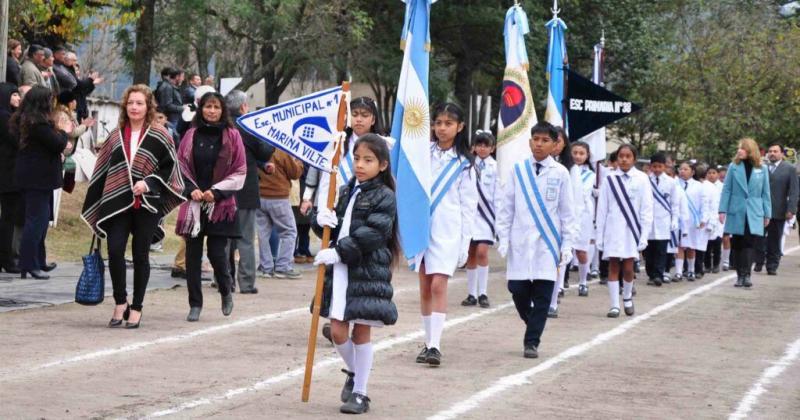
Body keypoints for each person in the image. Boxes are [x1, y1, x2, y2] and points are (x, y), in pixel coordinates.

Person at [81, 84, 185, 328]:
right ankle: (120, 302)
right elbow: (103, 170)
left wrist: (148, 183)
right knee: (115, 251)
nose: (134, 107)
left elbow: (171, 168)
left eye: (139, 103)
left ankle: (137, 306)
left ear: (148, 106)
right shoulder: (115, 136)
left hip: (147, 204)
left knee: (141, 255)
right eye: (130, 103)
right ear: (125, 106)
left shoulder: (161, 135)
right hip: (118, 203)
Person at [312, 134, 399, 414]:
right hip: (341, 271)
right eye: (358, 158)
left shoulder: (385, 196)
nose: (360, 165)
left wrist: (339, 252)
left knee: (361, 331)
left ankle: (361, 393)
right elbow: (337, 228)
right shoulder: (350, 189)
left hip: (367, 271)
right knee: (337, 331)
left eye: (368, 160)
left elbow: (373, 233)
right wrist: (321, 221)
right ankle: (355, 372)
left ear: (383, 165)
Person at [496, 121, 575, 358]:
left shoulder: (560, 173)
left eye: (545, 140)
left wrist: (567, 244)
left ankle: (531, 341)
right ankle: (533, 324)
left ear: (554, 145)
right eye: (536, 139)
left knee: (542, 295)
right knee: (517, 289)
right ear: (530, 141)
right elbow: (506, 206)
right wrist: (503, 236)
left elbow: (567, 212)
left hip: (548, 244)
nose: (539, 144)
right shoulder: (518, 169)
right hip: (520, 240)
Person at [414, 103, 477, 366]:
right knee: (426, 286)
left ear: (460, 127)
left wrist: (465, 243)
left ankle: (436, 345)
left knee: (439, 284)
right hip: (422, 227)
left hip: (449, 230)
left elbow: (468, 206)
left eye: (448, 123)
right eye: (438, 122)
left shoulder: (465, 164)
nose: (442, 128)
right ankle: (428, 342)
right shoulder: (422, 153)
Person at [176, 91, 246, 321]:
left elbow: (240, 170)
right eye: (208, 106)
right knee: (192, 257)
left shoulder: (233, 135)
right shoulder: (190, 135)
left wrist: (216, 192)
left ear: (222, 110)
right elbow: (180, 168)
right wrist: (191, 190)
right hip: (195, 204)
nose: (212, 111)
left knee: (217, 255)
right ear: (201, 108)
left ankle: (226, 291)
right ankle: (195, 304)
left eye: (216, 107)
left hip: (221, 204)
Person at [10, 86, 72, 279]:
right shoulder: (37, 123)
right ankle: (29, 263)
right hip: (38, 177)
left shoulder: (23, 119)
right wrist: (64, 131)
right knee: (36, 221)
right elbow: (57, 144)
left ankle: (38, 260)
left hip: (33, 175)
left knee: (41, 221)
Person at [225, 89, 274, 293]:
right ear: (244, 106)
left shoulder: (223, 127)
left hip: (224, 190)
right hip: (246, 189)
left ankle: (224, 281)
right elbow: (262, 150)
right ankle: (246, 283)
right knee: (245, 238)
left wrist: (262, 164)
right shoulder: (248, 126)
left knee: (225, 239)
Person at [596, 144, 653, 317]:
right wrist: (600, 234)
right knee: (613, 265)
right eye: (621, 156)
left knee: (628, 267)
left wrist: (644, 235)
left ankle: (627, 296)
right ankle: (614, 305)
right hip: (613, 229)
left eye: (628, 156)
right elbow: (602, 209)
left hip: (631, 231)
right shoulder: (609, 179)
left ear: (634, 159)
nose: (624, 159)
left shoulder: (642, 178)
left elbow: (647, 209)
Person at [719, 138, 771, 288]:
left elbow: (765, 192)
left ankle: (746, 274)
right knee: (737, 243)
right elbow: (727, 189)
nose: (739, 151)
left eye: (742, 148)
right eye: (738, 148)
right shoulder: (733, 166)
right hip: (737, 209)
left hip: (754, 210)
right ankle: (739, 275)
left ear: (750, 151)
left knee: (749, 242)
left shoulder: (762, 168)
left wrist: (767, 213)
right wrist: (722, 210)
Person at [547, 127, 583, 318]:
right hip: (543, 222)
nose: (555, 145)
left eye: (559, 141)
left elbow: (576, 202)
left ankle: (552, 301)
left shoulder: (571, 169)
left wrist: (572, 230)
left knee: (558, 263)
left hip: (561, 223)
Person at [462, 130, 497, 309]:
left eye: (486, 145)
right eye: (479, 145)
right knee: (471, 253)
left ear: (493, 148)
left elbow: (499, 194)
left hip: (487, 216)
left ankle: (483, 292)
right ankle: (471, 294)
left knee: (482, 252)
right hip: (470, 215)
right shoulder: (468, 165)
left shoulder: (496, 167)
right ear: (474, 147)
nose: (482, 149)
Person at [754, 143, 798, 275]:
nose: (772, 153)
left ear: (781, 154)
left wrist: (791, 209)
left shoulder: (789, 169)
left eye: (775, 151)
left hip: (779, 210)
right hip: (760, 210)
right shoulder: (762, 168)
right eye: (770, 151)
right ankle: (759, 261)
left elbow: (794, 191)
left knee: (774, 239)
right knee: (758, 238)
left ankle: (772, 265)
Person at [644, 152, 680, 286]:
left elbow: (675, 203)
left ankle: (658, 275)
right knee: (649, 251)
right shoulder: (646, 180)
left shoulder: (671, 182)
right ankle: (651, 274)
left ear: (664, 167)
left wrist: (675, 219)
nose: (657, 169)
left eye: (660, 166)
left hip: (664, 220)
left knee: (661, 250)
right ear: (651, 167)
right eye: (654, 166)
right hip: (649, 220)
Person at [674, 162, 712, 281]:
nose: (682, 171)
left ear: (692, 172)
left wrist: (703, 219)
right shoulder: (674, 184)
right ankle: (679, 272)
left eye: (685, 169)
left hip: (693, 221)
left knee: (691, 246)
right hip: (679, 220)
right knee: (679, 245)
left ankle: (691, 270)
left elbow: (705, 204)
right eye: (681, 169)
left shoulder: (699, 186)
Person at [0, 83, 22, 273]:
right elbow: (17, 141)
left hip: (8, 172)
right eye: (14, 95)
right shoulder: (5, 118)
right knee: (8, 217)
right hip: (8, 173)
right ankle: (6, 259)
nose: (18, 98)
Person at [570, 141, 596, 296]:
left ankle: (583, 281)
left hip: (584, 216)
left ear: (587, 156)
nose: (578, 156)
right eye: (575, 153)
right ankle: (559, 284)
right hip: (567, 213)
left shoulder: (592, 175)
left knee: (581, 251)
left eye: (582, 153)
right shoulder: (565, 170)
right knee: (564, 250)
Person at [703, 165, 724, 274]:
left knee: (717, 242)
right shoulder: (703, 186)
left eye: (714, 173)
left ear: (718, 174)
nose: (711, 175)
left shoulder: (722, 187)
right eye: (709, 173)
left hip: (719, 217)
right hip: (707, 217)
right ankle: (707, 265)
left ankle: (716, 264)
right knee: (706, 243)